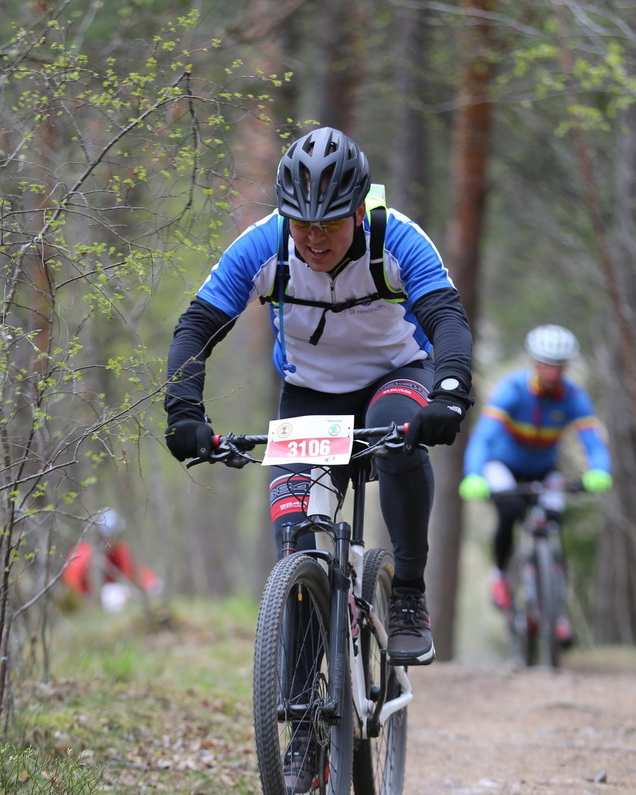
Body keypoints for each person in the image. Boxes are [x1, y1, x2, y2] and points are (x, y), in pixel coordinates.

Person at [164, 126, 473, 668]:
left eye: (328, 223)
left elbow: (447, 318)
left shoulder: (396, 237)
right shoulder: (263, 244)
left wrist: (449, 393)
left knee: (396, 425)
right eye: (302, 223)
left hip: (397, 375)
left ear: (357, 211)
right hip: (310, 394)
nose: (314, 238)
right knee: (295, 539)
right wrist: (184, 410)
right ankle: (301, 707)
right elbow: (196, 328)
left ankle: (407, 593)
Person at [459, 324, 612, 645]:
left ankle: (556, 613)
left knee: (553, 527)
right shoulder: (512, 390)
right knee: (509, 512)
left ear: (566, 367)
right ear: (535, 363)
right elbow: (484, 437)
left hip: (544, 471)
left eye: (559, 366)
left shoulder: (574, 397)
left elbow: (593, 441)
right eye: (546, 364)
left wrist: (600, 470)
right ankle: (500, 578)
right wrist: (474, 474)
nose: (552, 372)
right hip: (503, 467)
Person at [61, 508, 162, 612]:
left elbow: (137, 569)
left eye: (115, 534)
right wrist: (84, 605)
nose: (114, 538)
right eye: (111, 534)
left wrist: (151, 582)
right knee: (115, 594)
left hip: (114, 597)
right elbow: (71, 584)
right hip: (89, 601)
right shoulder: (82, 552)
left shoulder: (118, 549)